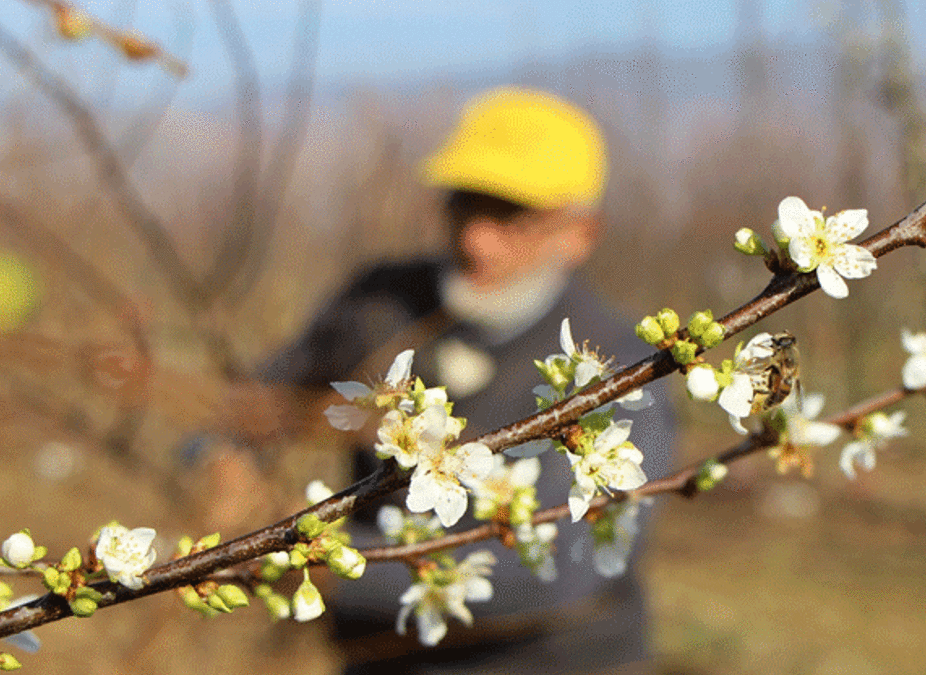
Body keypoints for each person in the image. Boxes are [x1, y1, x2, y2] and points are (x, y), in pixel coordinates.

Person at [253, 87, 674, 674]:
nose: (476, 239)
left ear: (582, 234)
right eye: (465, 205)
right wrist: (217, 464)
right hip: (381, 656)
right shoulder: (379, 304)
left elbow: (569, 564)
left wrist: (321, 564)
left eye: (512, 216)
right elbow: (249, 404)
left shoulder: (619, 366)